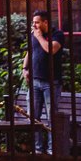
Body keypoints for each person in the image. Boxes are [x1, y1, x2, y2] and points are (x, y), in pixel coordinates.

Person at [24, 9, 63, 153]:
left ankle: (52, 150)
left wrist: (39, 36)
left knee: (52, 118)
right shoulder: (34, 35)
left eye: (37, 22)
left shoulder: (57, 35)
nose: (34, 25)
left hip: (51, 83)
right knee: (34, 118)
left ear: (45, 22)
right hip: (35, 81)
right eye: (33, 22)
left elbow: (50, 49)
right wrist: (24, 68)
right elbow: (30, 51)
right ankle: (38, 150)